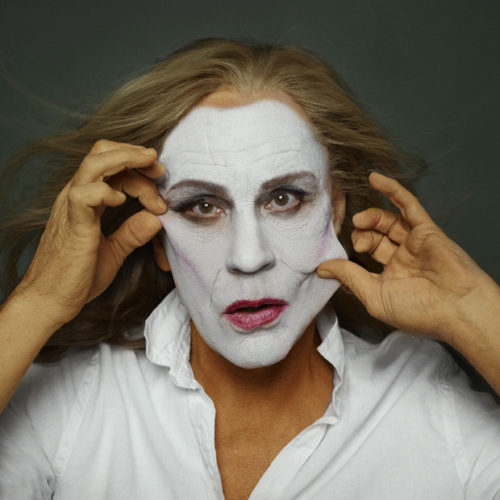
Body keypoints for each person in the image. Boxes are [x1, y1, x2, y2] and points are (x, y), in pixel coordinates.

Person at [0, 38, 499, 500]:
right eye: (202, 206)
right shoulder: (70, 405)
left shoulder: (428, 407)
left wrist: (473, 310)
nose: (248, 257)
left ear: (336, 211)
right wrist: (39, 302)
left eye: (284, 198)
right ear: (157, 240)